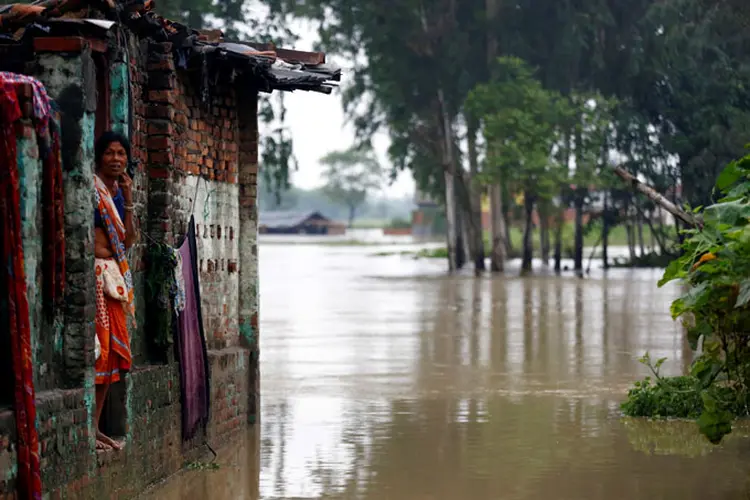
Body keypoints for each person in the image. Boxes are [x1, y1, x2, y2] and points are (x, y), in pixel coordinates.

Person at [93, 131, 138, 451]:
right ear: (99, 157)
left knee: (113, 358)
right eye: (110, 153)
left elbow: (128, 241)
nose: (116, 159)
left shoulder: (118, 194)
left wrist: (130, 199)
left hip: (114, 280)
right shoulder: (91, 190)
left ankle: (94, 427)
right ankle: (89, 427)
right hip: (95, 279)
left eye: (121, 153)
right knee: (99, 354)